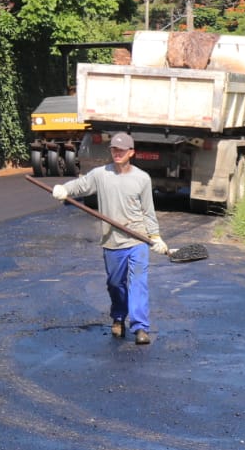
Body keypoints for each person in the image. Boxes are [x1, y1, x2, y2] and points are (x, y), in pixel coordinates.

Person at [52, 131, 168, 346]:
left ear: (131, 152)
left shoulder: (142, 178)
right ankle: (118, 317)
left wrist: (155, 236)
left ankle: (141, 327)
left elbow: (148, 210)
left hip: (137, 239)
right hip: (112, 241)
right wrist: (64, 189)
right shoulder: (100, 174)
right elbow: (81, 185)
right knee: (115, 284)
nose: (117, 153)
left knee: (138, 283)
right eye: (114, 149)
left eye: (122, 150)